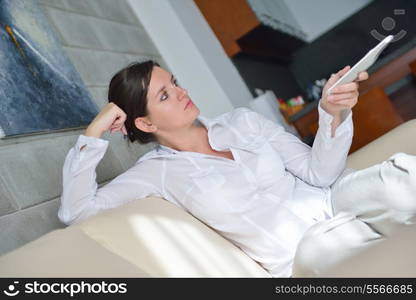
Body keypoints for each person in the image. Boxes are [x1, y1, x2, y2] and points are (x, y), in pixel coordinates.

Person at [59, 60, 416, 277]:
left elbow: (319, 174)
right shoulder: (156, 173)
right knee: (339, 243)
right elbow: (77, 211)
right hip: (301, 253)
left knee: (400, 175)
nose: (182, 92)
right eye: (164, 96)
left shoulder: (243, 122)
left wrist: (332, 112)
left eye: (175, 83)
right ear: (146, 124)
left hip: (331, 203)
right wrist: (93, 133)